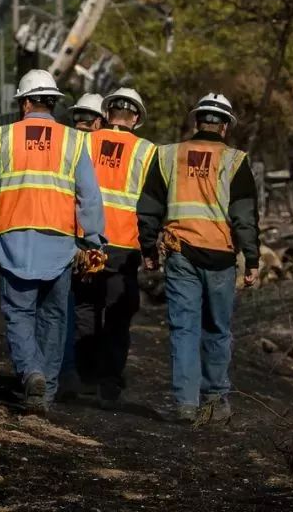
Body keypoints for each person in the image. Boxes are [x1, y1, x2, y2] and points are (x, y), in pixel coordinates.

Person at [0, 69, 106, 415]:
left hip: (14, 241)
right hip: (59, 244)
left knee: (18, 314)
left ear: (26, 102)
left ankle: (31, 373)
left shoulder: (3, 138)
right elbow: (89, 197)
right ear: (53, 102)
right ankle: (45, 392)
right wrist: (91, 242)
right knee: (53, 317)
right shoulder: (73, 141)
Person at [137, 93, 260, 424]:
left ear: (197, 122)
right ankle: (216, 400)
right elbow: (245, 216)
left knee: (184, 328)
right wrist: (253, 259)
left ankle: (186, 403)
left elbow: (148, 208)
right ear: (225, 128)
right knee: (217, 329)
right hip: (220, 257)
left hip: (181, 255)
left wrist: (148, 250)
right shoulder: (235, 161)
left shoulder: (168, 156)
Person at [74, 88, 156, 408]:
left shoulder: (85, 141)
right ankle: (109, 382)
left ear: (107, 114)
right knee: (118, 316)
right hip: (125, 245)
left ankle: (85, 377)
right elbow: (151, 204)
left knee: (85, 309)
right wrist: (150, 245)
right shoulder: (147, 151)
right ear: (135, 118)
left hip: (87, 242)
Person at [58, 93, 106, 399]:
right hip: (100, 239)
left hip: (66, 237)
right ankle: (86, 374)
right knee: (90, 307)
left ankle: (65, 371)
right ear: (100, 120)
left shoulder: (66, 145)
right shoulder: (106, 148)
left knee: (65, 306)